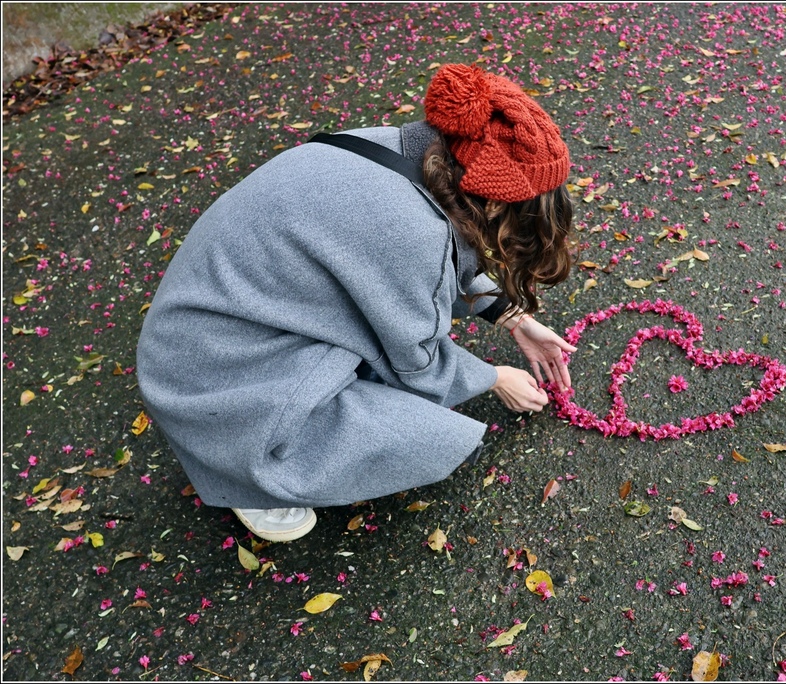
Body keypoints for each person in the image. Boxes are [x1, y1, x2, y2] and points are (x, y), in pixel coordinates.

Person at [136, 64, 577, 542]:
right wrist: (495, 378)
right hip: (215, 380)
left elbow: (441, 255)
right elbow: (415, 363)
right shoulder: (411, 230)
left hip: (201, 334)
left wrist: (513, 318)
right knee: (433, 439)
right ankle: (254, 475)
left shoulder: (399, 148)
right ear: (493, 203)